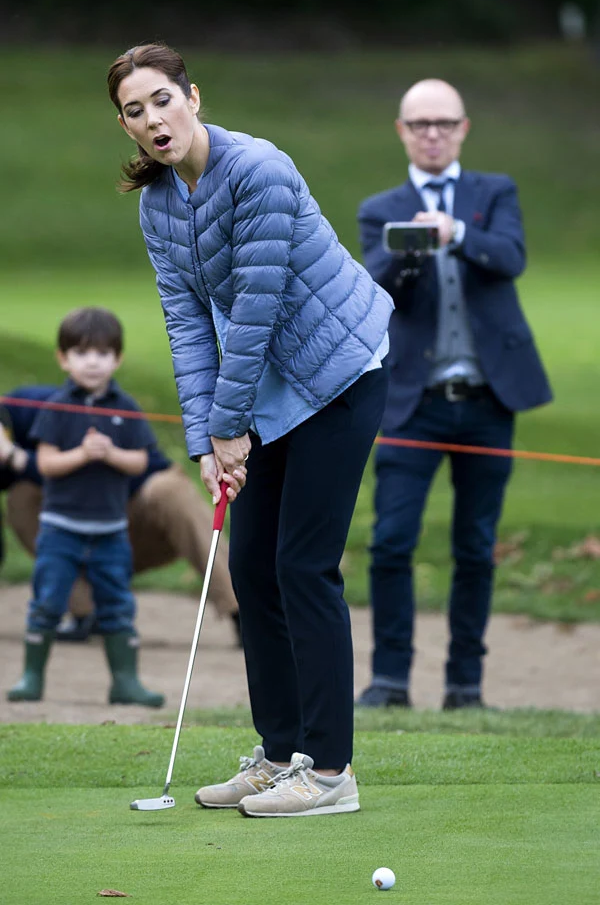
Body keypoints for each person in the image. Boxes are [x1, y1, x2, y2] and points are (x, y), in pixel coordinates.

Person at [107, 43, 393, 816]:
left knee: (304, 568)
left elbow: (259, 308)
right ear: (127, 127)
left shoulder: (260, 168)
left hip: (339, 374)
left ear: (192, 97)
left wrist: (230, 426)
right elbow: (188, 324)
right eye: (134, 111)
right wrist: (205, 439)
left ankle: (331, 774)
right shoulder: (158, 203)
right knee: (253, 571)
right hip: (267, 394)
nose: (152, 120)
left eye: (162, 99)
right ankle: (278, 755)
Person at [356, 79, 552, 710]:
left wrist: (456, 234)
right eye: (420, 124)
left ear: (464, 128)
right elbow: (376, 286)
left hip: (489, 399)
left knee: (475, 545)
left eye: (444, 123)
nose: (432, 134)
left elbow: (512, 257)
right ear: (401, 132)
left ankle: (465, 686)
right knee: (391, 542)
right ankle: (389, 680)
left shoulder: (493, 193)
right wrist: (411, 247)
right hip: (412, 401)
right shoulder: (380, 206)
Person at [7, 307, 165, 707]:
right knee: (47, 601)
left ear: (118, 358)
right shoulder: (57, 407)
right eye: (81, 353)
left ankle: (125, 683)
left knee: (117, 604)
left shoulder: (125, 408)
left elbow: (141, 462)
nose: (93, 362)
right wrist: (81, 454)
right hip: (60, 529)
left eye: (103, 353)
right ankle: (32, 678)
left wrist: (111, 453)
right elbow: (45, 464)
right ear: (63, 358)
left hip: (111, 530)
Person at [0, 385, 241, 645]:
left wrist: (18, 458)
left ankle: (240, 611)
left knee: (170, 490)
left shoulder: (37, 403)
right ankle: (86, 613)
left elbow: (112, 468)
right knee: (21, 499)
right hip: (78, 534)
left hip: (137, 516)